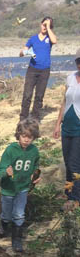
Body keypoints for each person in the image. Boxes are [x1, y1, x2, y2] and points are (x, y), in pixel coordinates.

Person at [0, 118, 41, 252]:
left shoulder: (34, 151)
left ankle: (16, 240)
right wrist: (6, 172)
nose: (27, 140)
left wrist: (36, 176)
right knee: (7, 215)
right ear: (18, 135)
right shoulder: (10, 150)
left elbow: (35, 166)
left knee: (19, 214)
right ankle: (3, 224)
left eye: (30, 137)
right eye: (24, 136)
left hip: (23, 188)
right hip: (8, 188)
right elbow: (0, 171)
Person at [53, 48, 80, 212]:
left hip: (79, 128)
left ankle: (75, 198)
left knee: (75, 163)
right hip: (67, 127)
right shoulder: (70, 77)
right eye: (78, 61)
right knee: (67, 162)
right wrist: (58, 124)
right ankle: (68, 190)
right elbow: (64, 101)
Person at [19, 17, 57, 121]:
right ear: (40, 24)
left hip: (45, 71)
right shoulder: (33, 39)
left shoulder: (50, 38)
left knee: (39, 96)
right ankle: (23, 118)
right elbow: (21, 53)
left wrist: (48, 27)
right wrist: (25, 52)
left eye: (47, 25)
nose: (44, 27)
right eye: (43, 24)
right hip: (32, 70)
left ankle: (35, 118)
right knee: (27, 95)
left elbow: (55, 41)